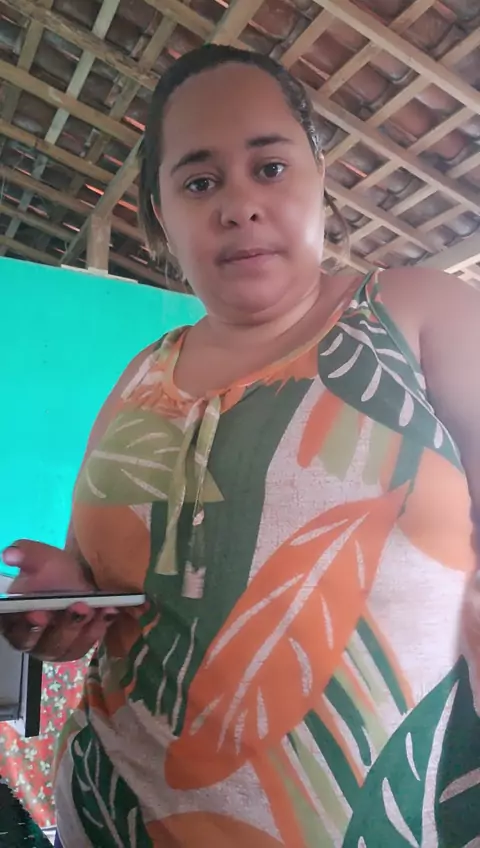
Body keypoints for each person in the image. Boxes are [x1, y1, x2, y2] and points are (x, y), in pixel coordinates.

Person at [2, 43, 480, 847]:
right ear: (161, 214)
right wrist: (60, 600)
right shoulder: (139, 378)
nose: (239, 205)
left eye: (270, 167)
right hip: (112, 819)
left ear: (319, 178)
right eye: (199, 182)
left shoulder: (419, 314)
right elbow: (93, 579)